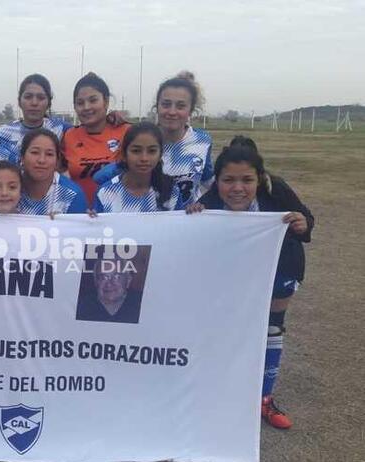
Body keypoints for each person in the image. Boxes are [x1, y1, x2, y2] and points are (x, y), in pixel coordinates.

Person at [187, 137, 314, 429]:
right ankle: (227, 393)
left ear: (260, 178)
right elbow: (193, 238)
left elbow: (306, 217)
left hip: (280, 268)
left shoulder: (275, 189)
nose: (237, 188)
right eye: (228, 180)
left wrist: (302, 223)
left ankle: (264, 398)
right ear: (216, 181)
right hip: (236, 276)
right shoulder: (210, 203)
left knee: (271, 327)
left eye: (247, 179)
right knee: (230, 329)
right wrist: (193, 217)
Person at [95, 71, 212, 206]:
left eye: (180, 106)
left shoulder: (203, 140)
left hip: (186, 224)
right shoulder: (143, 141)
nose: (172, 112)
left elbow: (211, 183)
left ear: (191, 110)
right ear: (157, 107)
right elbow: (101, 178)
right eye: (166, 104)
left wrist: (202, 204)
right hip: (148, 220)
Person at [62, 72, 131, 205]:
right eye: (80, 103)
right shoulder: (68, 135)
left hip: (118, 214)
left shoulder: (127, 132)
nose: (86, 107)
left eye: (93, 100)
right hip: (80, 216)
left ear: (105, 101)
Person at [94, 122, 184, 213]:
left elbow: (180, 225)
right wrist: (91, 221)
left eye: (152, 151)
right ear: (124, 154)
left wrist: (193, 214)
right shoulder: (106, 192)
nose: (144, 158)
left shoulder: (171, 191)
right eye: (136, 151)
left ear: (160, 155)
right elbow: (99, 226)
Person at [17, 129, 87, 215]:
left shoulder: (72, 194)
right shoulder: (7, 186)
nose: (41, 160)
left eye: (49, 154)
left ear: (57, 160)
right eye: (35, 152)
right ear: (22, 157)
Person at [0, 74, 72, 155]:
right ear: (19, 102)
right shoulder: (2, 134)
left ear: (49, 103)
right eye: (28, 97)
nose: (34, 103)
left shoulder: (62, 130)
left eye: (41, 98)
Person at [75, 245, 143, 324]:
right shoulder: (81, 307)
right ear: (96, 281)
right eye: (104, 277)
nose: (109, 284)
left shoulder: (142, 305)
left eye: (117, 277)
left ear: (128, 281)